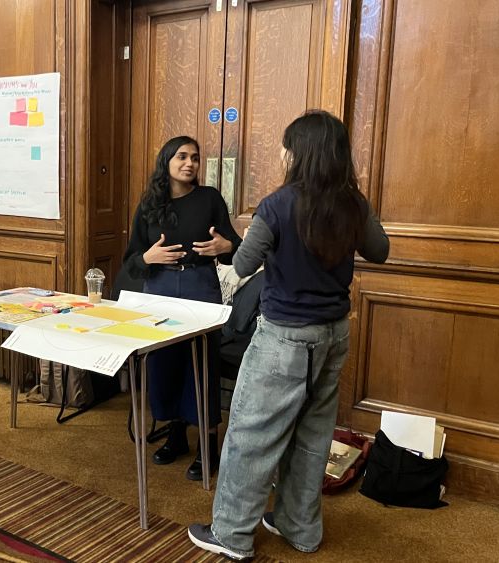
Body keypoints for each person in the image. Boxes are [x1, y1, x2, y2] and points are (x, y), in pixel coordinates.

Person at [188, 110, 389, 560]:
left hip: (282, 338)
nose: (282, 152)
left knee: (251, 434)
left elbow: (241, 267)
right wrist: (360, 209)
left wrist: (249, 240)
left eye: (286, 145)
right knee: (313, 434)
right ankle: (300, 527)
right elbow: (381, 250)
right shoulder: (353, 203)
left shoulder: (278, 204)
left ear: (299, 152)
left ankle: (232, 535)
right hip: (333, 336)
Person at [121, 135, 241, 481]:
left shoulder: (209, 199)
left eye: (195, 158)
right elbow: (131, 260)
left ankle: (208, 446)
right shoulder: (150, 203)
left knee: (200, 364)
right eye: (182, 157)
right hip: (157, 288)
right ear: (167, 162)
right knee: (165, 364)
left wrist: (224, 246)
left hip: (199, 285)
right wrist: (148, 257)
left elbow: (235, 246)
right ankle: (176, 436)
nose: (190, 163)